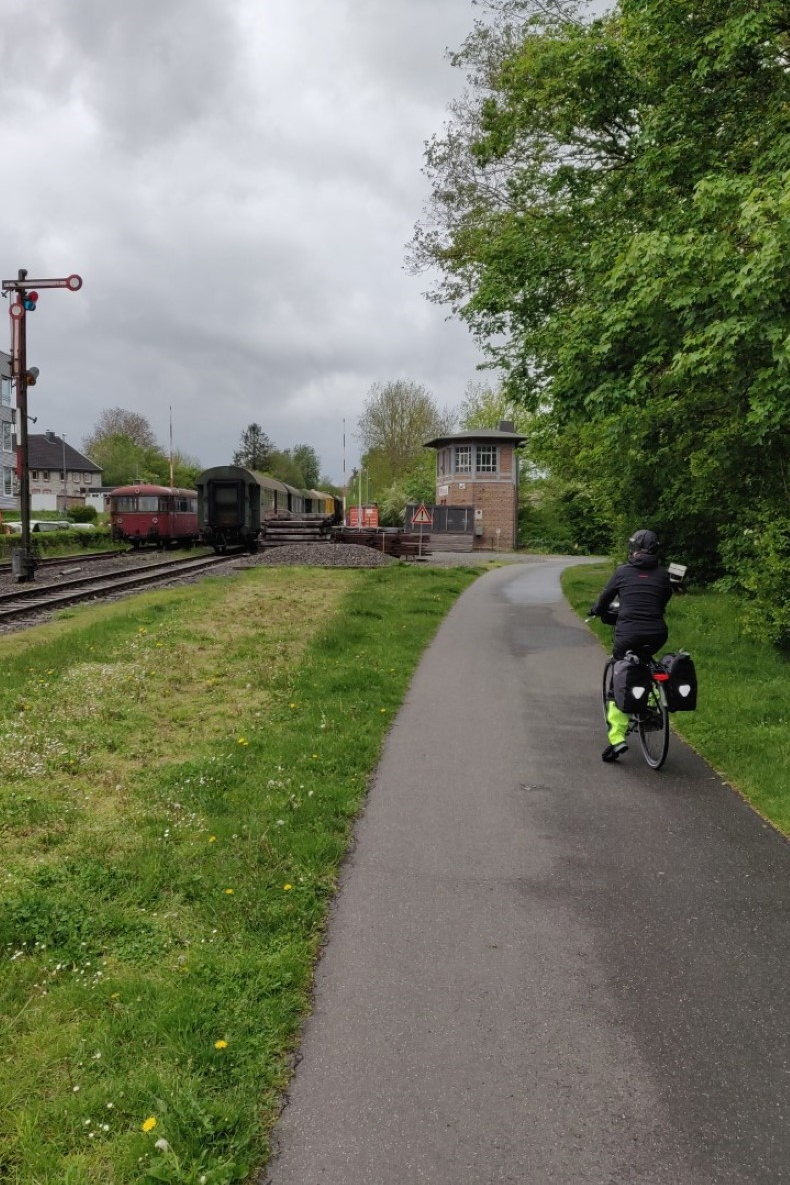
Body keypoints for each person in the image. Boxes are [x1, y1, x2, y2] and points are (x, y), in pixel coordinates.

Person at [589, 529, 672, 763]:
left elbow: (605, 599)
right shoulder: (663, 575)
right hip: (657, 634)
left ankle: (617, 740)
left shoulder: (623, 572)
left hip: (628, 634)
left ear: (633, 550)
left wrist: (598, 610)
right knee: (646, 665)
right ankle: (652, 704)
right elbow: (663, 599)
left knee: (619, 676)